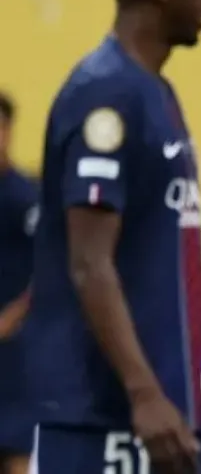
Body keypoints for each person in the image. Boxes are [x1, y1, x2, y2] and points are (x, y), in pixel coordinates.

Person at [27, 0, 201, 473]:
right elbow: (90, 263)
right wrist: (146, 394)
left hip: (168, 413)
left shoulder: (157, 93)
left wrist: (195, 390)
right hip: (103, 421)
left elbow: (153, 274)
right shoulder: (106, 93)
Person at [0, 94, 37, 474]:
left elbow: (49, 271)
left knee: (17, 451)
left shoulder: (27, 198)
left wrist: (13, 317)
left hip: (15, 355)